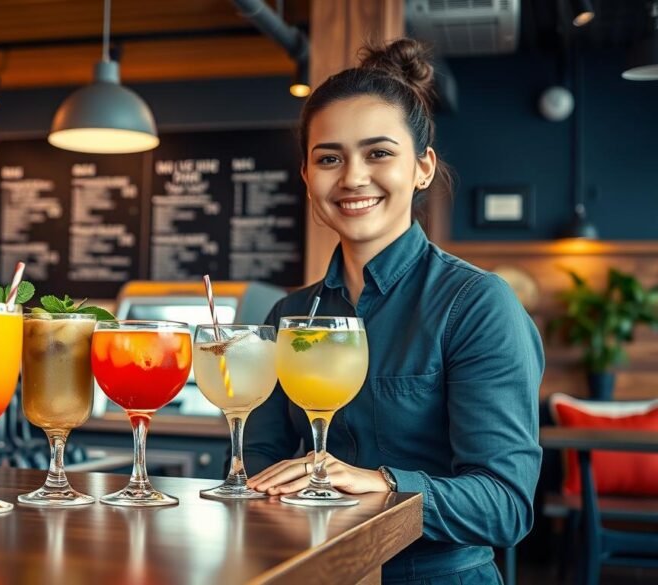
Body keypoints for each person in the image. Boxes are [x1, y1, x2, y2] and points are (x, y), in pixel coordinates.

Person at [242, 38, 544, 584]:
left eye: (379, 153)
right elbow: (256, 466)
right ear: (308, 177)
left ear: (423, 168)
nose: (353, 177)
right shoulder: (288, 313)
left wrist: (385, 482)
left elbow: (506, 506)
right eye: (329, 158)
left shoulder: (476, 303)